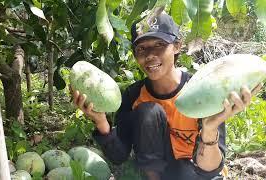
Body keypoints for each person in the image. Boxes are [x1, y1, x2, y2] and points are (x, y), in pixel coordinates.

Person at [71, 13, 262, 180]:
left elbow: (209, 171)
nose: (150, 55)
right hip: (157, 175)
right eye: (141, 49)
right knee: (149, 111)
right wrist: (101, 121)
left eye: (159, 45)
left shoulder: (202, 91)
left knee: (184, 173)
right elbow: (119, 156)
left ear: (177, 46)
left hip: (195, 172)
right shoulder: (133, 94)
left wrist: (210, 128)